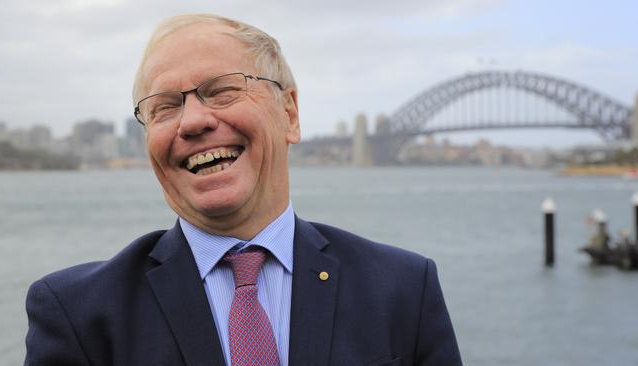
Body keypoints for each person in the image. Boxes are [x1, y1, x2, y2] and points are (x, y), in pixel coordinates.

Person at [24, 13, 462, 366]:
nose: (192, 121)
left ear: (289, 113)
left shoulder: (403, 289)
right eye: (164, 107)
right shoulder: (77, 314)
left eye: (222, 90)